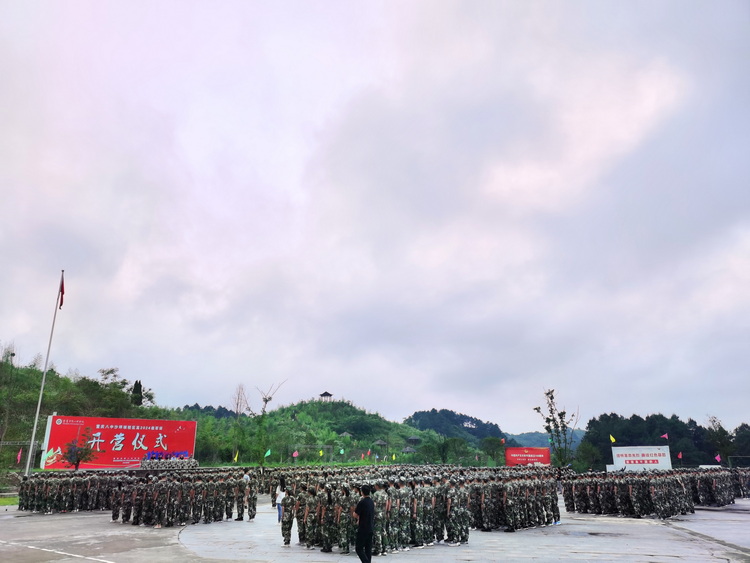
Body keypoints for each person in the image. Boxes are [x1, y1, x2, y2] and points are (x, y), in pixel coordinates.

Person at [355, 484, 375, 563]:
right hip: (370, 527)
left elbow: (355, 514)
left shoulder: (362, 502)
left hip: (363, 528)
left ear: (362, 492)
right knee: (368, 549)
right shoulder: (371, 502)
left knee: (359, 548)